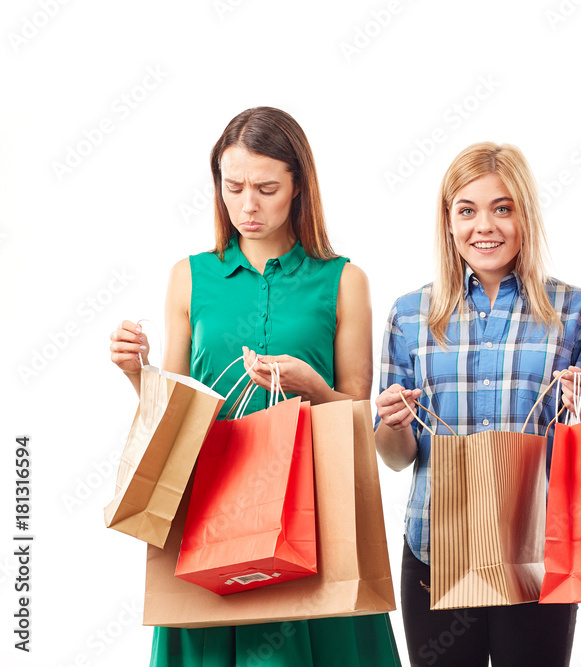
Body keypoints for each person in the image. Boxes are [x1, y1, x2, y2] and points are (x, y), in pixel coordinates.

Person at [109, 107, 401, 667]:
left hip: (313, 516)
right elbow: (175, 408)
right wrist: (135, 372)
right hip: (210, 509)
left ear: (298, 188)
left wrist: (311, 385)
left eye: (267, 188)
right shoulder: (190, 276)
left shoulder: (343, 279)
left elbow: (359, 417)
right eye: (233, 187)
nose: (247, 205)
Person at [373, 142, 581, 667]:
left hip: (537, 548)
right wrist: (392, 422)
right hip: (436, 544)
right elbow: (394, 456)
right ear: (448, 222)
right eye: (467, 210)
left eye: (503, 208)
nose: (486, 226)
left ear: (525, 214)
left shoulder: (574, 310)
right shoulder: (409, 316)